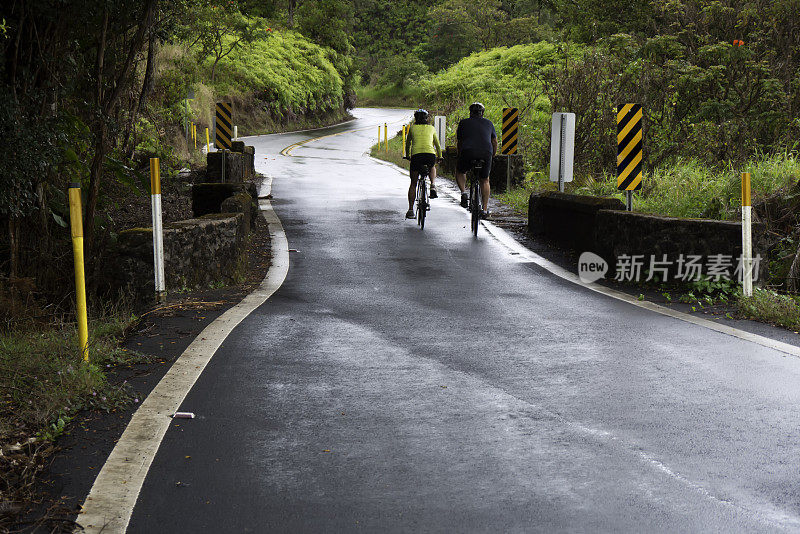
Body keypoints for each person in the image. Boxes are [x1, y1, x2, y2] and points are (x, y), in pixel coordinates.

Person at [455, 102, 497, 218]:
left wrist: (460, 154)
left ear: (470, 112)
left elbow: (460, 142)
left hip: (468, 151)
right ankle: (484, 209)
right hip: (486, 153)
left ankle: (463, 193)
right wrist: (492, 154)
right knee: (485, 180)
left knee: (460, 171)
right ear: (482, 113)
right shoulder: (489, 123)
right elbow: (494, 142)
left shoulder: (463, 123)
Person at [404, 109, 442, 219]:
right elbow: (437, 145)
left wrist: (407, 155)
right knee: (432, 166)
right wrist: (440, 156)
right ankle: (433, 184)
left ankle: (411, 210)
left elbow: (408, 144)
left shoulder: (412, 128)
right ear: (427, 118)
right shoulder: (431, 128)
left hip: (416, 156)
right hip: (430, 154)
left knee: (413, 183)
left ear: (416, 118)